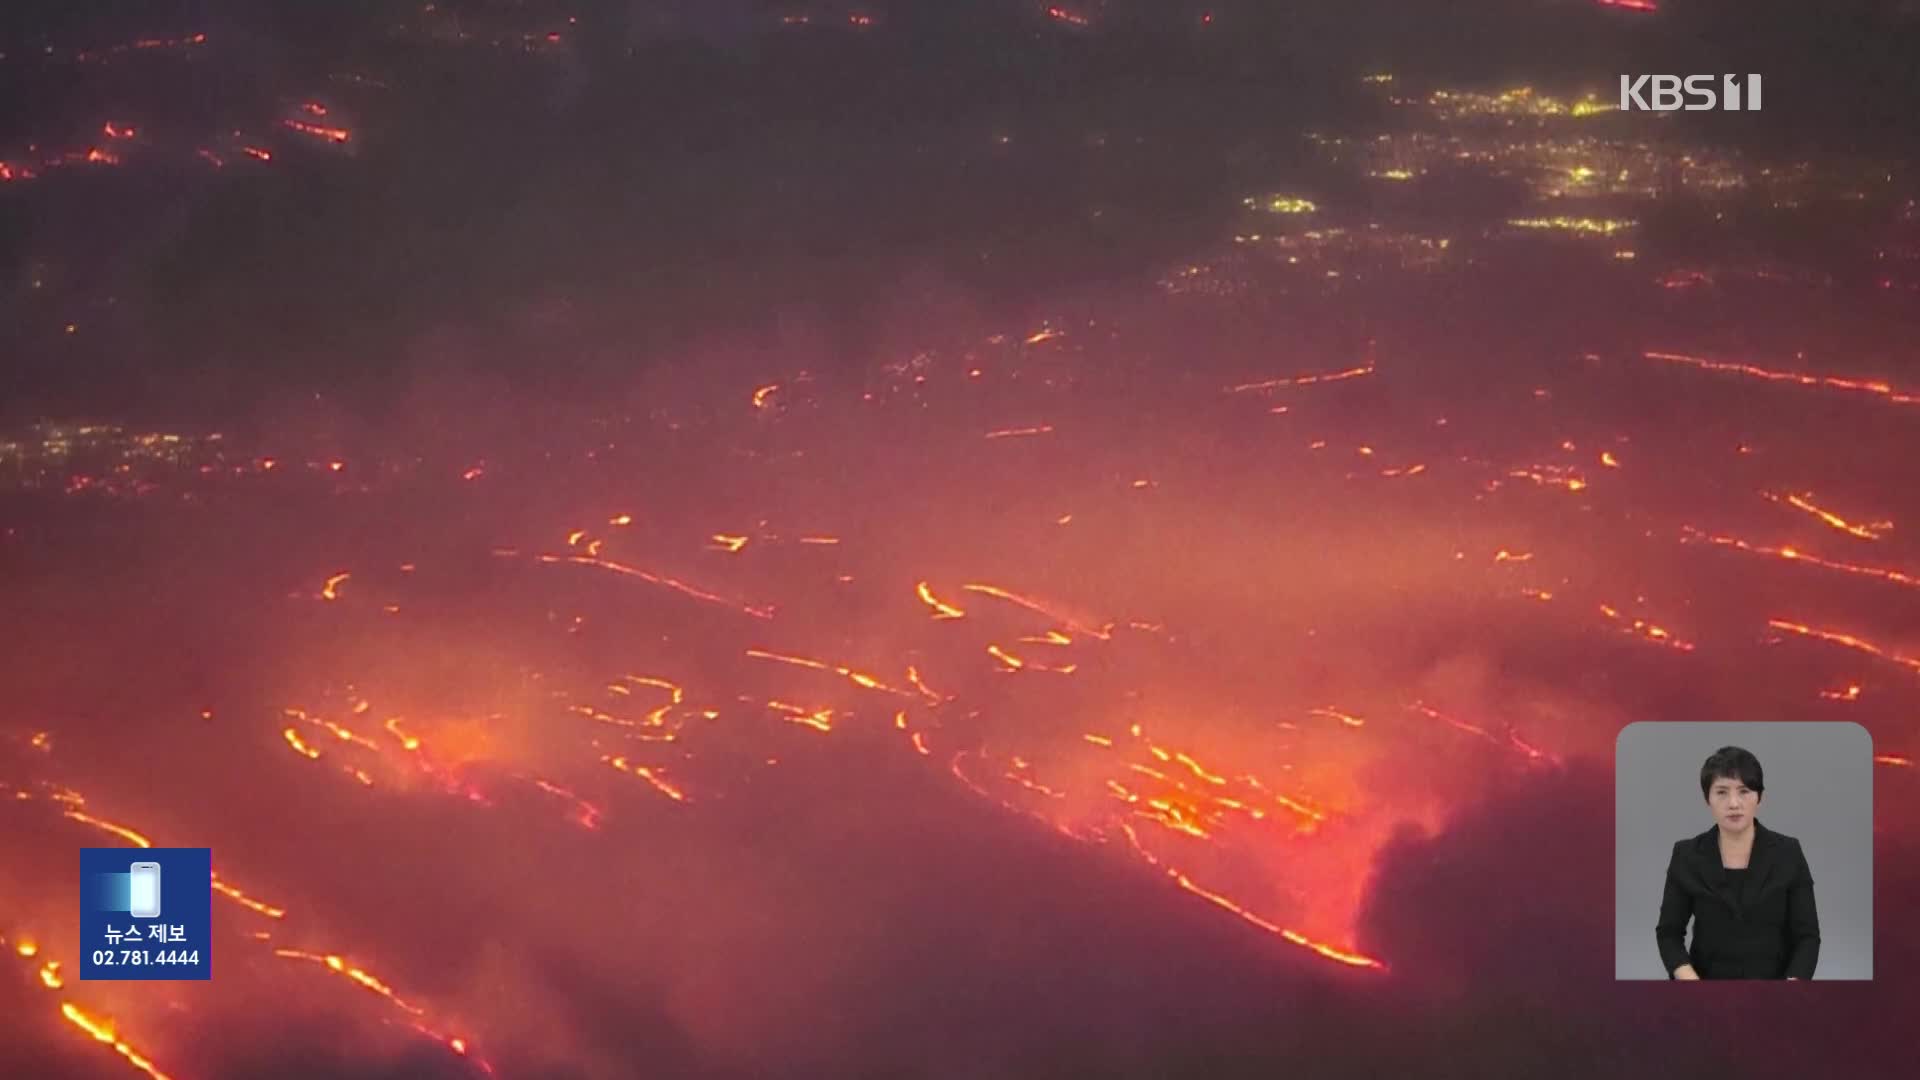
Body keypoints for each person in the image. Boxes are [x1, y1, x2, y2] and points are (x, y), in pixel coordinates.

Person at [1655, 746, 1820, 980]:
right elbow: (1668, 934)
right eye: (1721, 792)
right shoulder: (1687, 855)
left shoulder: (1788, 853)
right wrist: (1692, 985)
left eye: (1744, 791)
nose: (1733, 803)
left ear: (1760, 797)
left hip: (1776, 991)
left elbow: (1807, 937)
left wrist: (1790, 992)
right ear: (1707, 799)